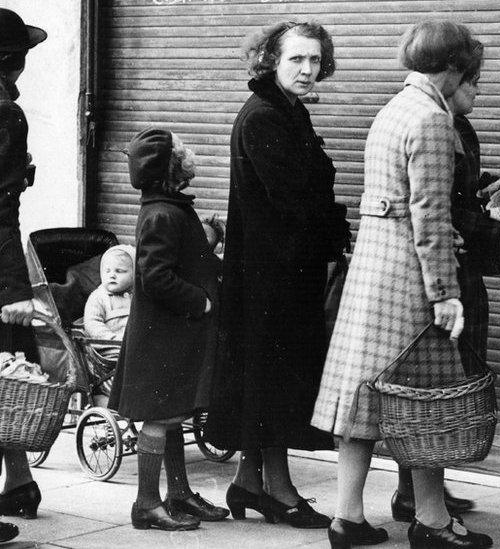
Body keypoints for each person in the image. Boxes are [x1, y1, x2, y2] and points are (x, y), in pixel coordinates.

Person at [312, 20, 494, 549]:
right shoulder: (434, 119)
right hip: (410, 280)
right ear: (455, 67)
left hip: (373, 270)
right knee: (426, 402)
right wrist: (446, 292)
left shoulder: (394, 109)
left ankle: (346, 519)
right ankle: (433, 523)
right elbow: (431, 213)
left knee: (365, 399)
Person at [204, 20, 350, 529]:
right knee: (274, 382)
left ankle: (248, 483)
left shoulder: (289, 112)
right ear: (271, 60)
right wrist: (336, 226)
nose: (309, 69)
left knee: (270, 379)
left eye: (315, 60)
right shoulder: (264, 116)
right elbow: (294, 202)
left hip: (286, 271)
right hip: (270, 276)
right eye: (297, 60)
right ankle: (280, 491)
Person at [389, 50, 500, 525]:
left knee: (452, 380)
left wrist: (495, 191)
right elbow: (441, 216)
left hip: (464, 271)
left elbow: (460, 197)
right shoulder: (436, 125)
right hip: (448, 273)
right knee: (435, 384)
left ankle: (423, 488)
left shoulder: (461, 128)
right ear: (451, 81)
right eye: (472, 82)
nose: (478, 90)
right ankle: (415, 495)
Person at [108, 128, 228, 531]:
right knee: (160, 416)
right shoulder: (162, 213)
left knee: (173, 411)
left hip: (174, 334)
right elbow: (156, 276)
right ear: (172, 168)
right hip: (164, 336)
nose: (189, 155)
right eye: (181, 152)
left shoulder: (168, 207)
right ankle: (146, 503)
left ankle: (178, 494)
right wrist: (201, 300)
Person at [0, 8, 47, 542]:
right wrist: (13, 288)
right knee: (6, 373)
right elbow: (0, 206)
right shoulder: (6, 115)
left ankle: (18, 481)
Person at [83, 244, 135, 407]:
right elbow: (92, 323)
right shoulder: (99, 297)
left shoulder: (137, 298)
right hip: (108, 349)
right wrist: (111, 338)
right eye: (107, 271)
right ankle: (109, 394)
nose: (112, 275)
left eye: (120, 271)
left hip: (133, 346)